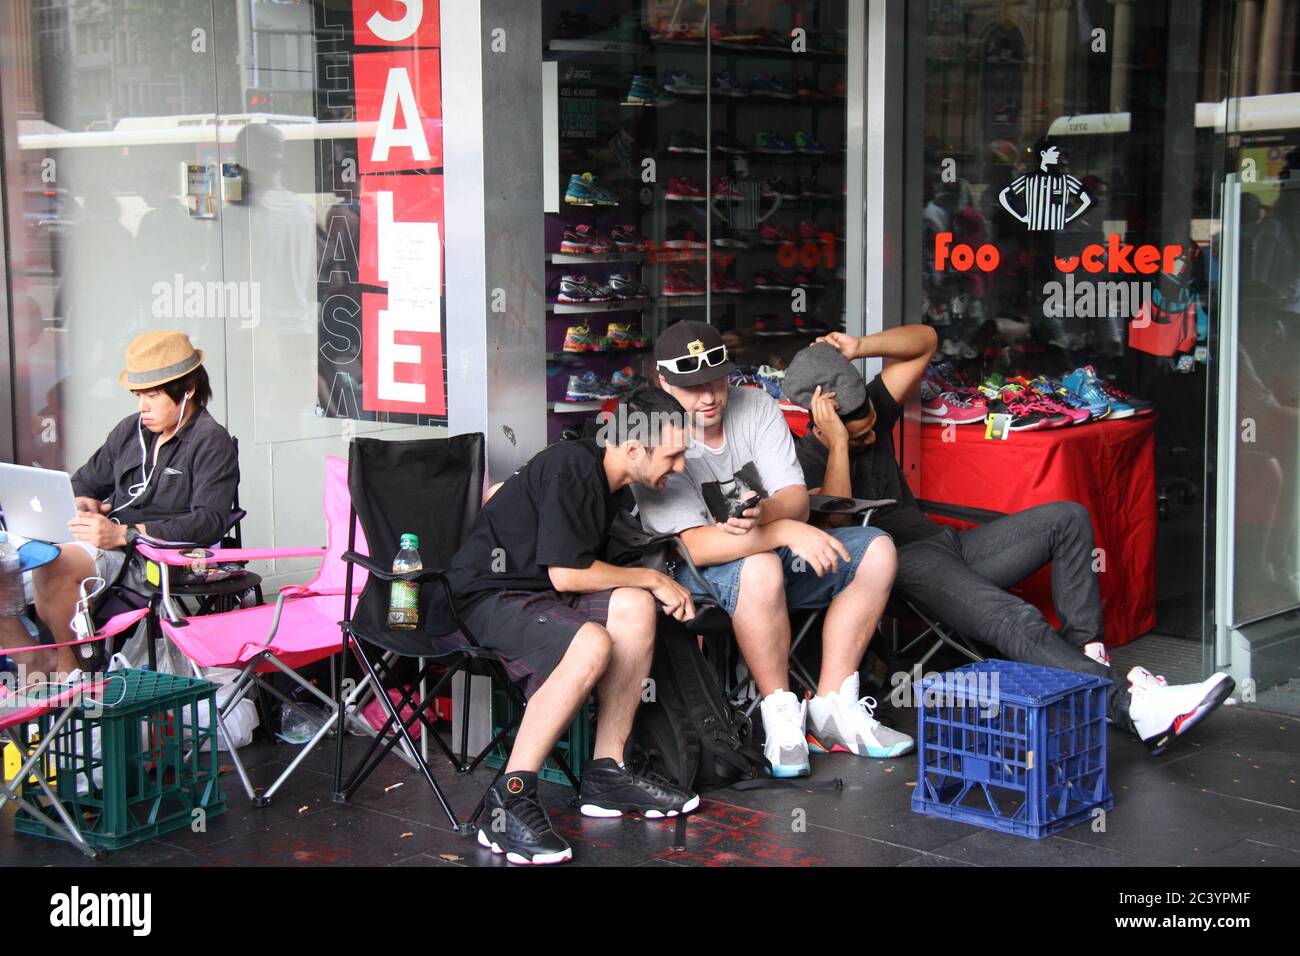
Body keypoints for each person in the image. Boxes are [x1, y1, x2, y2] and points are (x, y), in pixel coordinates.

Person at [783, 328, 1235, 755]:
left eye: (869, 429)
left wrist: (859, 346)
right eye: (856, 435)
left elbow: (925, 342)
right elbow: (838, 516)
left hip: (948, 546)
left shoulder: (872, 411)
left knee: (1068, 518)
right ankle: (1132, 708)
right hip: (902, 566)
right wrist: (839, 445)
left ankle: (1085, 659)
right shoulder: (804, 458)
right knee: (1014, 616)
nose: (868, 436)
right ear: (821, 423)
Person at [632, 320, 910, 780]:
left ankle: (833, 707)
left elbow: (796, 498)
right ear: (663, 382)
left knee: (876, 549)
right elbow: (691, 545)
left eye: (715, 381)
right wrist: (782, 533)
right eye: (692, 387)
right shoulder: (658, 434)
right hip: (690, 578)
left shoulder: (756, 405)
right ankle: (780, 716)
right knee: (760, 565)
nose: (708, 397)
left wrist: (766, 516)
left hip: (770, 553)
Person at [446, 386, 700, 866]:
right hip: (484, 600)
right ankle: (509, 798)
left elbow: (570, 572)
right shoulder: (573, 466)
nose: (681, 467)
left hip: (538, 596)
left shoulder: (610, 485)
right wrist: (653, 577)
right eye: (674, 454)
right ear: (632, 448)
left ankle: (607, 771)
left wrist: (646, 586)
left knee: (635, 606)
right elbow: (567, 572)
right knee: (591, 642)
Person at [5, 331, 239, 681]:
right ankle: (33, 662)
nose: (141, 406)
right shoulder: (131, 431)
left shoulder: (210, 441)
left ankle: (72, 672)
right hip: (104, 541)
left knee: (56, 566)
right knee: (3, 568)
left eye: (152, 395)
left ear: (187, 390)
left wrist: (124, 534)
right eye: (137, 395)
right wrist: (82, 501)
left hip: (156, 557)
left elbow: (208, 522)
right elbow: (85, 480)